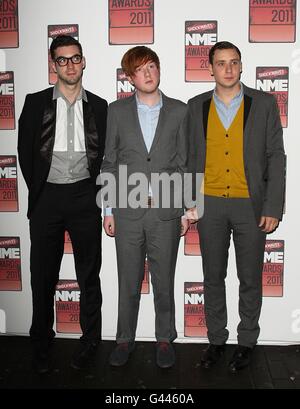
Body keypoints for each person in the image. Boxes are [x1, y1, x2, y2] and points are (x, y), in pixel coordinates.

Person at [186, 41, 285, 372]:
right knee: (212, 276)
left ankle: (246, 342)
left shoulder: (265, 103)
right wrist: (189, 202)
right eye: (221, 63)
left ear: (241, 66)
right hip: (209, 205)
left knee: (250, 278)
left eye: (234, 62)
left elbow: (275, 157)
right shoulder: (195, 106)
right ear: (210, 68)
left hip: (251, 206)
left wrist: (272, 206)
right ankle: (216, 340)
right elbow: (187, 160)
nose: (228, 68)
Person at [17, 35, 107, 373]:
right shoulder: (35, 102)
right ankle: (41, 344)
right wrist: (40, 192)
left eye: (75, 58)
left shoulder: (99, 106)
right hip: (47, 199)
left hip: (86, 197)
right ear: (53, 64)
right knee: (43, 276)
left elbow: (104, 158)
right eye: (62, 59)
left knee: (89, 277)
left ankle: (91, 343)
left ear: (83, 62)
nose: (69, 65)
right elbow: (26, 155)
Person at [101, 46, 190, 368]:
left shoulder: (180, 111)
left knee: (164, 280)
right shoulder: (116, 112)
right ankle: (124, 338)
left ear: (159, 69)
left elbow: (185, 164)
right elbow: (109, 163)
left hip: (165, 212)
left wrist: (185, 209)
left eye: (152, 66)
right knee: (128, 281)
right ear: (130, 78)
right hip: (126, 211)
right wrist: (108, 210)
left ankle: (164, 338)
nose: (148, 73)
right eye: (141, 69)